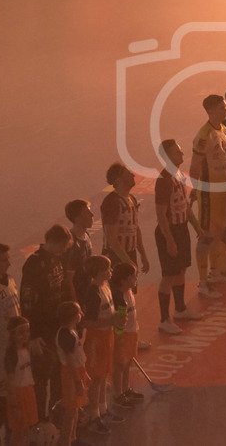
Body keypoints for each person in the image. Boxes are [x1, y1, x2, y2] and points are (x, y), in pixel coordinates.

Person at [20, 225, 71, 420]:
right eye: (63, 246)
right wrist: (32, 335)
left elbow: (64, 287)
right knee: (41, 380)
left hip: (57, 328)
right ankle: (39, 421)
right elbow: (28, 301)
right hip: (41, 333)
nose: (64, 250)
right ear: (54, 242)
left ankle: (56, 417)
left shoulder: (57, 259)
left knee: (58, 376)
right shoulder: (34, 264)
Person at [155, 139, 206, 335]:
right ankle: (164, 319)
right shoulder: (164, 181)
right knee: (168, 275)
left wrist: (197, 228)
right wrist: (169, 239)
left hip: (181, 228)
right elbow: (161, 214)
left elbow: (184, 206)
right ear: (168, 156)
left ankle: (180, 309)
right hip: (171, 231)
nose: (182, 155)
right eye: (177, 152)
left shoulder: (177, 176)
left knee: (181, 269)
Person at [189, 94, 226, 299]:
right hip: (209, 193)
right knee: (206, 235)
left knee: (220, 229)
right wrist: (196, 191)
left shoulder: (223, 130)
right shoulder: (204, 135)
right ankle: (203, 282)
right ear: (212, 110)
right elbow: (195, 166)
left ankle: (215, 273)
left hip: (222, 189)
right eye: (223, 108)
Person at [80, 255, 124, 435]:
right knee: (96, 378)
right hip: (96, 338)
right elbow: (87, 323)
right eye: (108, 268)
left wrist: (114, 322)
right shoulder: (92, 293)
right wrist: (111, 319)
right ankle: (93, 416)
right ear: (99, 271)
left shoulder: (105, 287)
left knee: (104, 374)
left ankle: (103, 410)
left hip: (108, 335)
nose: (111, 271)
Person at [101, 163, 150, 278]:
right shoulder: (111, 202)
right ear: (118, 180)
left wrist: (142, 254)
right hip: (115, 256)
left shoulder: (131, 199)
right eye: (128, 174)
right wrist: (127, 262)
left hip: (129, 253)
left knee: (130, 292)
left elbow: (135, 228)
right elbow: (112, 239)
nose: (133, 175)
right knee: (118, 292)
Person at [0, 243, 20, 445]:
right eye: (4, 259)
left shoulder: (9, 281)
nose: (10, 262)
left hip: (14, 348)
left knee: (14, 394)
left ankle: (12, 434)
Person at [109, 263, 142, 408]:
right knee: (120, 364)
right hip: (123, 335)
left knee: (128, 361)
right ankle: (118, 394)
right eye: (132, 276)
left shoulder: (129, 292)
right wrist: (119, 336)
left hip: (132, 331)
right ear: (123, 280)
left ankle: (126, 388)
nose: (135, 279)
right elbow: (120, 320)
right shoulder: (118, 298)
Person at [55, 301, 88, 446]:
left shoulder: (71, 331)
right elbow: (69, 361)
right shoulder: (65, 335)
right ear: (73, 316)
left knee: (74, 409)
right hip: (71, 375)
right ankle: (65, 441)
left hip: (78, 371)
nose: (81, 315)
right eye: (78, 313)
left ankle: (72, 438)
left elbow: (77, 356)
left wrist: (84, 374)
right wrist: (77, 380)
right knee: (70, 411)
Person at [4, 316, 37, 446]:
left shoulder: (26, 350)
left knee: (26, 428)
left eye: (27, 331)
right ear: (13, 334)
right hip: (18, 393)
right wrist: (14, 403)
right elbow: (10, 381)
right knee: (18, 430)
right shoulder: (12, 354)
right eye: (21, 332)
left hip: (28, 389)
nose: (25, 335)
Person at [63, 200, 95, 303]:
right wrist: (75, 303)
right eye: (87, 213)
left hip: (88, 293)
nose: (92, 214)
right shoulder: (71, 244)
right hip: (79, 297)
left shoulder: (86, 235)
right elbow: (68, 280)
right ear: (77, 218)